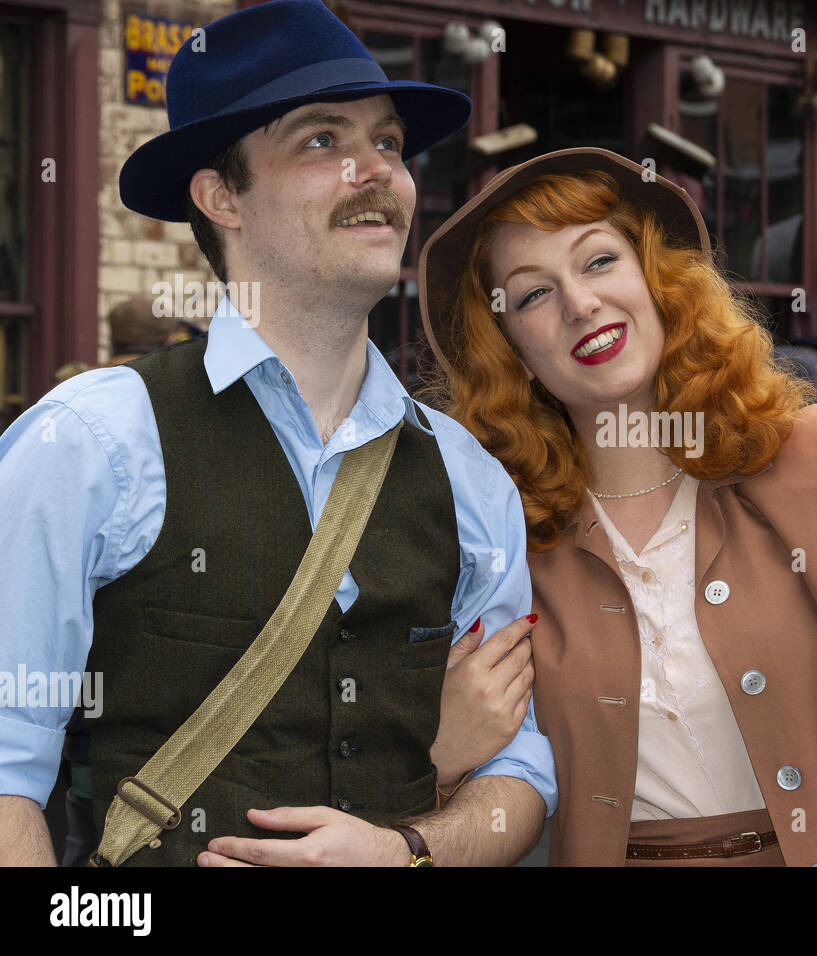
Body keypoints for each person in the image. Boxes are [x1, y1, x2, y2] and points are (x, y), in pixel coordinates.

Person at [0, 0, 554, 867]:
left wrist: (407, 849)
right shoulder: (90, 443)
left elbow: (521, 776)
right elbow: (5, 782)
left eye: (389, 143)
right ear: (221, 195)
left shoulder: (469, 478)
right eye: (322, 141)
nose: (375, 171)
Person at [418, 150, 817, 865]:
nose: (579, 303)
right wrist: (441, 755)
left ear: (660, 281)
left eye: (598, 262)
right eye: (532, 295)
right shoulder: (500, 539)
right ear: (514, 351)